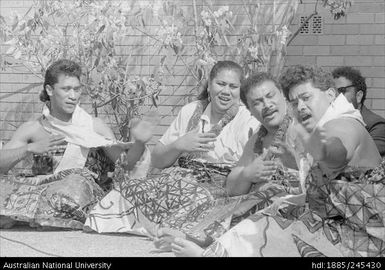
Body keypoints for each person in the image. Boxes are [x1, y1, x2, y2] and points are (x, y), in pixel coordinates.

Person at [174, 65, 384, 257]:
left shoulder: (343, 124)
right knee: (276, 208)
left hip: (364, 239)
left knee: (276, 212)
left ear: (330, 94)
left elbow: (337, 151)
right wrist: (291, 163)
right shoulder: (262, 137)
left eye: (306, 97)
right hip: (341, 226)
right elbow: (234, 186)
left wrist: (317, 149)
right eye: (295, 102)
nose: (301, 106)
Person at [84, 60, 260, 239]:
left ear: (240, 91)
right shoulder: (191, 111)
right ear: (209, 86)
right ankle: (143, 225)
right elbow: (158, 160)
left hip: (220, 189)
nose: (226, 91)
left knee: (195, 198)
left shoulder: (249, 120)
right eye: (220, 84)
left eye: (233, 86)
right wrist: (180, 145)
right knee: (129, 190)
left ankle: (171, 230)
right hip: (180, 180)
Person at [0, 59, 154, 229]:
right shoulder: (33, 129)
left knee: (74, 183)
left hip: (80, 194)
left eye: (77, 89)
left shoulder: (94, 126)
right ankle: (36, 215)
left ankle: (23, 215)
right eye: (66, 89)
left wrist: (139, 143)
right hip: (42, 190)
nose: (73, 96)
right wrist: (29, 148)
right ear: (50, 90)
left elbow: (125, 164)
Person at [332, 66, 385, 156]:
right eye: (333, 92)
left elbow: (365, 156)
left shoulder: (376, 125)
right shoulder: (327, 120)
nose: (336, 97)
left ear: (358, 96)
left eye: (342, 91)